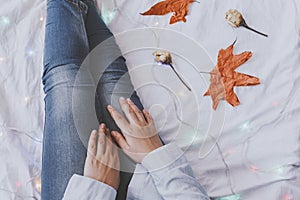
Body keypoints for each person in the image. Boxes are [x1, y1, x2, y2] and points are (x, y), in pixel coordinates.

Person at [42, 0, 209, 199]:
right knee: (112, 78)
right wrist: (155, 154)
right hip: (152, 188)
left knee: (67, 83)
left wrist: (96, 189)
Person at [63, 97, 210, 199]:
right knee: (112, 84)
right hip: (154, 183)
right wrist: (155, 153)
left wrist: (94, 192)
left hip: (85, 191)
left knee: (64, 80)